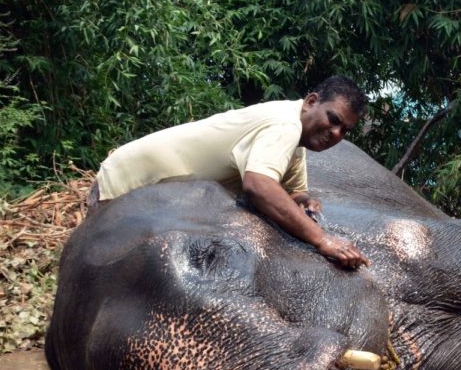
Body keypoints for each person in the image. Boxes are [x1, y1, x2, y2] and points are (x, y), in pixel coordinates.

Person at [88, 76, 370, 269]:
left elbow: (294, 190)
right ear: (311, 102)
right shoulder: (284, 125)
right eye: (333, 119)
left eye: (344, 130)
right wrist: (322, 239)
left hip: (160, 204)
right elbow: (259, 185)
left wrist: (305, 200)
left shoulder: (297, 138)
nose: (335, 133)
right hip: (125, 191)